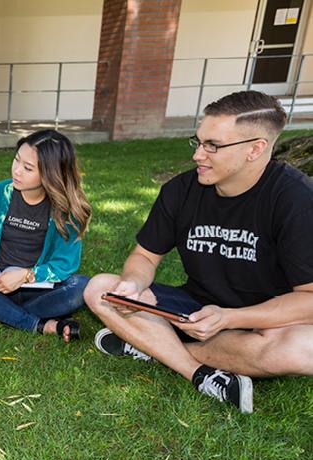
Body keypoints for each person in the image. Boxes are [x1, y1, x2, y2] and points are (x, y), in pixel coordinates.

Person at [84, 91, 313, 413]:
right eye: (199, 141)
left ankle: (152, 344)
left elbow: (309, 299)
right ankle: (199, 373)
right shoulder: (181, 190)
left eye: (213, 146)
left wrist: (231, 318)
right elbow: (145, 256)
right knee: (100, 288)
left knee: (305, 349)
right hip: (192, 310)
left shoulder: (296, 200)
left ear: (255, 149)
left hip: (265, 320)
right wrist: (133, 284)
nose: (198, 156)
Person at [0, 130, 92, 341]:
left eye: (28, 168)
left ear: (51, 174)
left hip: (37, 289)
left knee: (81, 287)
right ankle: (39, 324)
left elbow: (65, 264)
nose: (17, 171)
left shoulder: (67, 212)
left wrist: (27, 275)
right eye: (16, 160)